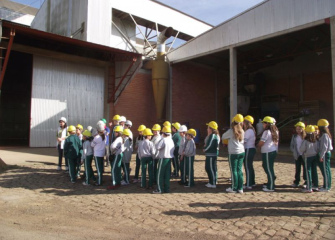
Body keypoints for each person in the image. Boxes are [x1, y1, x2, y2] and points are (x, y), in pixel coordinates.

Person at [222, 114, 245, 193]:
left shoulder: (231, 131)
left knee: (234, 170)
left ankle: (234, 187)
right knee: (240, 170)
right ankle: (240, 187)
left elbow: (223, 136)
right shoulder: (242, 131)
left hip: (233, 152)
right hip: (241, 151)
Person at [257, 116, 279, 192]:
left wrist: (257, 145)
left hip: (267, 152)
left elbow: (262, 142)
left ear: (268, 124)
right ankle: (271, 179)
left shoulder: (266, 132)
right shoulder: (275, 131)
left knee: (269, 168)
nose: (263, 125)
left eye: (264, 123)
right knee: (268, 167)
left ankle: (271, 186)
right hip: (273, 151)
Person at [153, 126, 175, 194]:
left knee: (160, 174)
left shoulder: (164, 140)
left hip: (163, 158)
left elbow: (158, 147)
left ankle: (159, 189)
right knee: (167, 174)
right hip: (169, 158)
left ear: (163, 133)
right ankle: (167, 188)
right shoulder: (171, 140)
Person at [299, 125, 319, 193]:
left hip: (308, 157)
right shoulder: (316, 140)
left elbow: (301, 149)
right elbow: (318, 148)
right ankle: (315, 185)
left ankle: (309, 187)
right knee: (314, 171)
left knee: (308, 171)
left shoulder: (306, 141)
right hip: (315, 156)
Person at [317, 119, 333, 192]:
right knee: (327, 170)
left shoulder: (324, 135)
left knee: (325, 170)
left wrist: (321, 156)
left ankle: (326, 187)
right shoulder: (326, 135)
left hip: (325, 153)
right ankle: (327, 185)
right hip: (326, 153)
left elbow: (324, 147)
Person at [290, 121, 307, 188]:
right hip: (297, 155)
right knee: (297, 168)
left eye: (299, 129)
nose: (298, 131)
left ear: (303, 129)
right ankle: (297, 181)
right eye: (297, 129)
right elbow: (292, 145)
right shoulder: (294, 136)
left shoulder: (306, 136)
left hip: (304, 155)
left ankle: (306, 181)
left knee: (305, 168)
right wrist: (294, 151)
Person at [108, 126, 124, 190]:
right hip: (120, 154)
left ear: (118, 132)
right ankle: (118, 181)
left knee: (114, 169)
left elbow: (113, 146)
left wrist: (112, 151)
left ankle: (114, 183)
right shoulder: (121, 138)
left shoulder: (118, 138)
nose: (114, 133)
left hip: (117, 154)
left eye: (115, 132)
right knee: (118, 168)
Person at [204, 121, 219, 189]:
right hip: (209, 154)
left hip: (211, 154)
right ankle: (211, 181)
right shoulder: (211, 136)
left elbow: (209, 145)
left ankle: (213, 182)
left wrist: (205, 149)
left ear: (211, 129)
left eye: (208, 128)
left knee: (211, 168)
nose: (207, 129)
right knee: (208, 168)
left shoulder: (213, 136)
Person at [243, 115, 256, 189]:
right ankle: (252, 182)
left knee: (247, 166)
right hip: (251, 149)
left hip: (248, 149)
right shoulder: (251, 130)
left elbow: (244, 141)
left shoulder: (248, 131)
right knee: (250, 166)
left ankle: (248, 184)